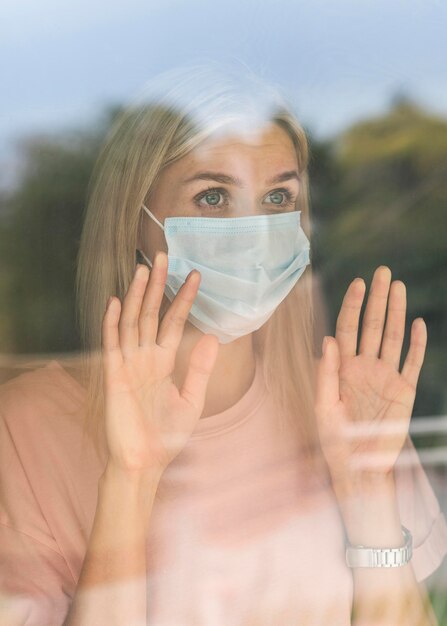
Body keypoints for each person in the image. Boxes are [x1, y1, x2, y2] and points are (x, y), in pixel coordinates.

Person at [0, 61, 446, 626]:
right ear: (133, 219)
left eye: (280, 198)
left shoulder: (347, 404)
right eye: (213, 197)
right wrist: (130, 480)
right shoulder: (27, 429)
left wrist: (369, 491)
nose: (257, 230)